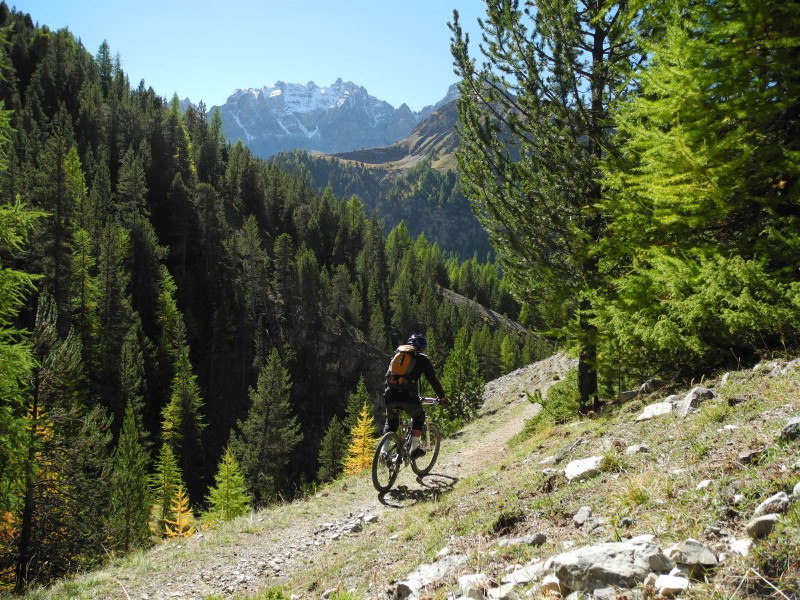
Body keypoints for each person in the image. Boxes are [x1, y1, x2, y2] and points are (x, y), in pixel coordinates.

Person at [383, 333, 448, 458]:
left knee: (391, 423)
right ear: (421, 348)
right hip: (408, 397)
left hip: (390, 395)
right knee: (419, 418)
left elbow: (387, 377)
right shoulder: (422, 359)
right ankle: (414, 449)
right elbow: (433, 381)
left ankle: (383, 452)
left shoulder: (397, 356)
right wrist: (442, 398)